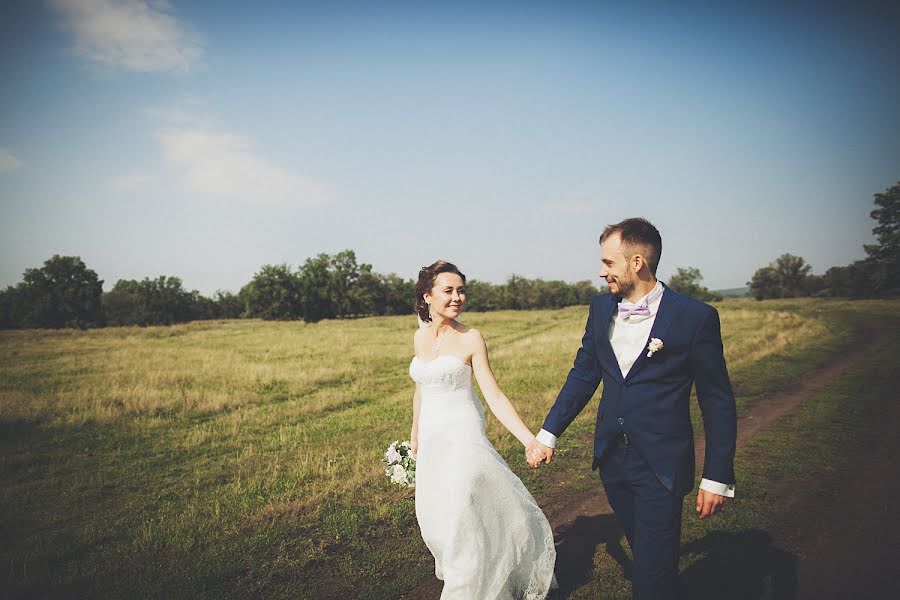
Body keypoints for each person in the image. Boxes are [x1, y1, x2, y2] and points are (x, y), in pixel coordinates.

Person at [526, 218, 737, 599]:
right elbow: (583, 375)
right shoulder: (598, 309)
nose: (601, 271)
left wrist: (717, 476)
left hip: (661, 465)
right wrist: (548, 433)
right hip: (612, 460)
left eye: (609, 263)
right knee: (651, 560)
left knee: (651, 577)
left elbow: (717, 400)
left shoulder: (695, 317)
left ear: (636, 262)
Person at [409, 260, 557, 599]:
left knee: (461, 512)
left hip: (464, 437)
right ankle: (483, 572)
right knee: (439, 516)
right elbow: (421, 389)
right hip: (433, 442)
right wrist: (415, 434)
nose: (457, 297)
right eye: (449, 290)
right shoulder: (419, 337)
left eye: (461, 290)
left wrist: (528, 440)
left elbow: (493, 394)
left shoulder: (471, 338)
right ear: (427, 296)